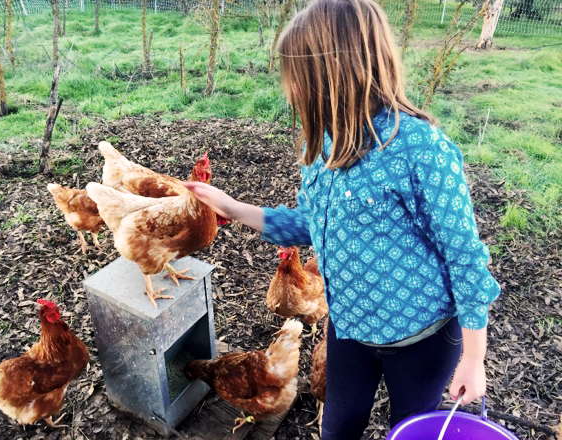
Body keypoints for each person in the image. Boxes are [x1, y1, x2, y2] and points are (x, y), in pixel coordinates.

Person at [184, 0, 501, 438]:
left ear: (330, 74)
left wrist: (474, 358)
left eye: (294, 76)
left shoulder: (420, 149)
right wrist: (234, 208)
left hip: (421, 338)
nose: (288, 91)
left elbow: (465, 257)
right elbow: (311, 223)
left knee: (410, 430)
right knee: (337, 429)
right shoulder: (323, 146)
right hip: (349, 327)